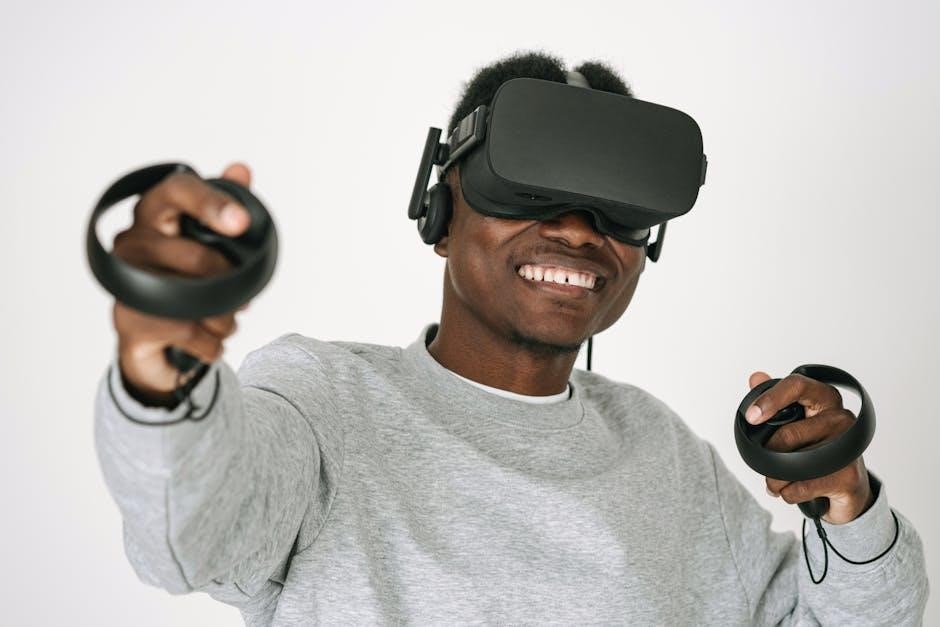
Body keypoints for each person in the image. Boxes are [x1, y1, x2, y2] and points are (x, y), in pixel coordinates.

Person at [95, 51, 929, 625]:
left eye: (616, 207)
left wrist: (847, 504)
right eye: (528, 187)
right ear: (439, 210)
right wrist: (163, 365)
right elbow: (189, 535)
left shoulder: (666, 456)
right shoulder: (324, 403)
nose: (577, 229)